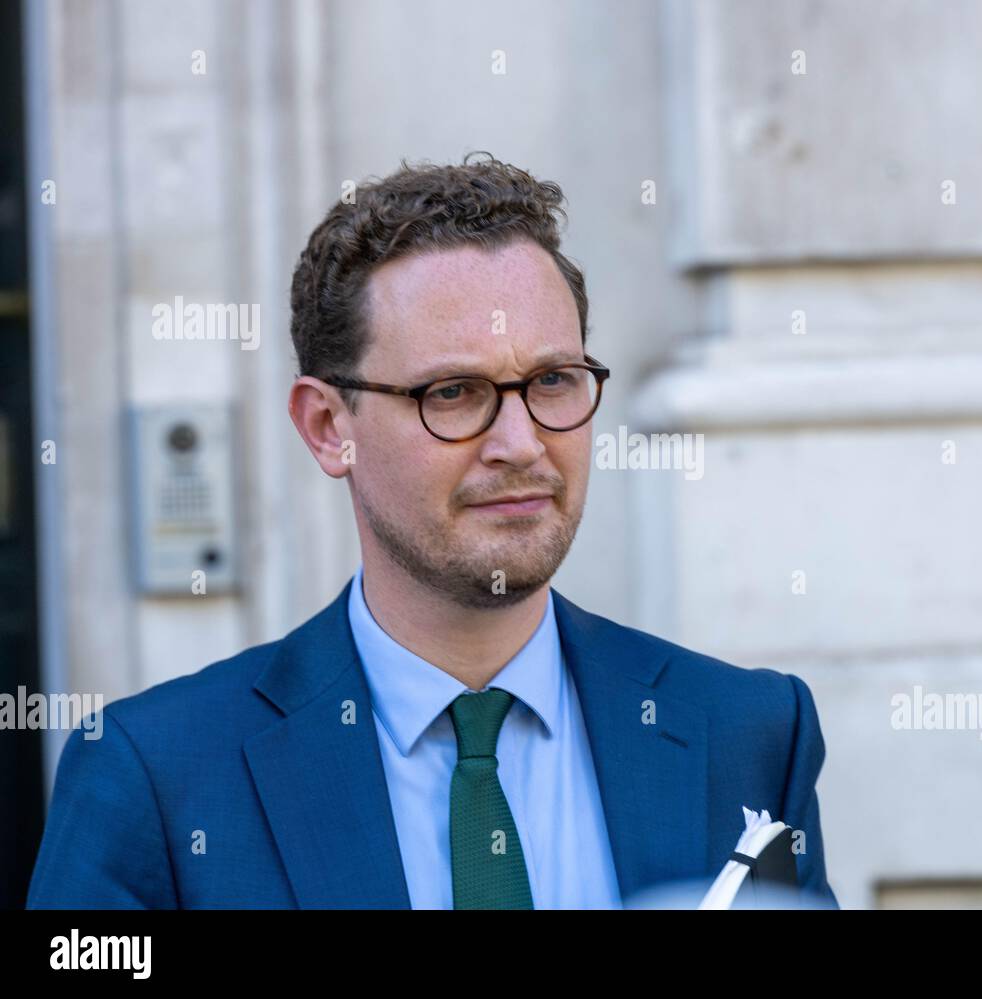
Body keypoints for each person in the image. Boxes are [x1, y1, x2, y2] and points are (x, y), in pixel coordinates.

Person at [26, 152, 838, 909]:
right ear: (324, 425)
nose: (521, 443)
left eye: (552, 380)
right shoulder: (155, 776)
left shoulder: (751, 731)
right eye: (452, 392)